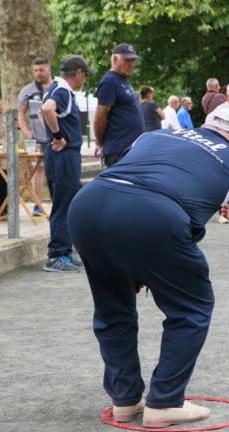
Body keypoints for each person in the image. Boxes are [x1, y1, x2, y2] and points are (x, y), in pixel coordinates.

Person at [67, 104, 229, 429]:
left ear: (204, 125)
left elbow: (135, 175)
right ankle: (165, 402)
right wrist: (227, 205)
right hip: (153, 216)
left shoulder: (153, 135)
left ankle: (125, 401)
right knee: (193, 307)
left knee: (113, 309)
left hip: (88, 205)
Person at [40, 55, 92, 272]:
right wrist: (59, 136)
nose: (85, 79)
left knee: (66, 203)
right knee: (64, 205)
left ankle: (64, 251)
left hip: (59, 155)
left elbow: (44, 108)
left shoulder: (55, 88)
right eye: (85, 75)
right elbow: (47, 109)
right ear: (78, 73)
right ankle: (57, 255)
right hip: (65, 154)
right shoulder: (62, 91)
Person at [94, 43, 144, 167]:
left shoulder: (123, 80)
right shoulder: (109, 81)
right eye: (127, 59)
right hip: (119, 151)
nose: (131, 64)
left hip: (130, 149)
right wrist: (100, 143)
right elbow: (99, 118)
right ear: (115, 59)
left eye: (133, 60)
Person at [17, 57, 53, 217]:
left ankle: (58, 201)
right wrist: (27, 132)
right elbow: (20, 113)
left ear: (49, 69)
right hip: (37, 138)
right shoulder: (28, 90)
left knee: (56, 169)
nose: (38, 73)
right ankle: (38, 205)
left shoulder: (57, 87)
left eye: (41, 70)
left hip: (56, 136)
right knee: (38, 170)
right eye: (35, 70)